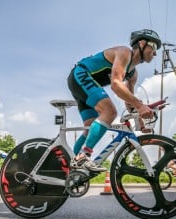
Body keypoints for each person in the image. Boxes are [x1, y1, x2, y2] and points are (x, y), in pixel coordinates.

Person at [67, 29, 161, 172]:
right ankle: (83, 156)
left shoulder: (133, 74)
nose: (155, 53)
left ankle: (71, 169)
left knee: (90, 126)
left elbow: (130, 103)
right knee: (109, 112)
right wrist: (140, 105)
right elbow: (116, 85)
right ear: (141, 43)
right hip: (81, 74)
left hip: (84, 84)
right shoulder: (124, 53)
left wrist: (141, 121)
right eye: (153, 47)